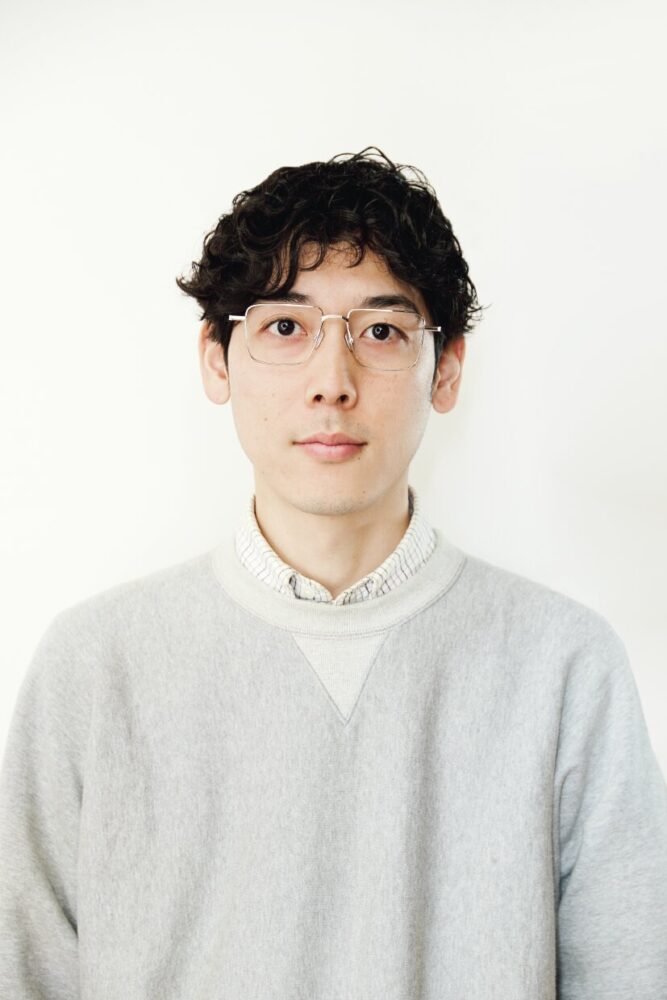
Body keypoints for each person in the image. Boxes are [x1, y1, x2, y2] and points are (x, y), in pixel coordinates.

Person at [0, 147, 665, 999]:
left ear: (446, 368)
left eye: (381, 332)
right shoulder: (94, 667)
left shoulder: (564, 668)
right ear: (216, 359)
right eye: (285, 327)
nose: (331, 382)